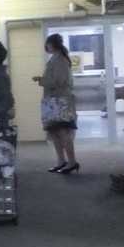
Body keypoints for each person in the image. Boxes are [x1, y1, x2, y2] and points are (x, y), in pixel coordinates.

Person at [34, 33, 79, 174]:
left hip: (60, 101)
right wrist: (43, 79)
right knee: (54, 132)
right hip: (53, 100)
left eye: (48, 43)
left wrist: (41, 80)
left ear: (53, 44)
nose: (46, 46)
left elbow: (58, 81)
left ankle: (71, 162)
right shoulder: (55, 58)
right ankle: (61, 161)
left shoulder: (60, 60)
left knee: (63, 132)